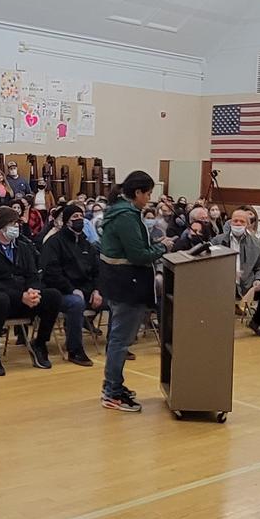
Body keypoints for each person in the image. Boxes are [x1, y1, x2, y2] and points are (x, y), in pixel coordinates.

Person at [96, 171, 164, 411]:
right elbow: (137, 254)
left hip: (120, 282)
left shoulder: (122, 211)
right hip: (127, 283)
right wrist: (161, 248)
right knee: (120, 341)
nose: (149, 198)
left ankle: (113, 385)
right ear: (137, 193)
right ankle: (112, 392)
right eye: (148, 193)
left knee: (118, 339)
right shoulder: (126, 217)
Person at [0, 207, 63, 375]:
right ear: (1, 226)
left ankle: (40, 343)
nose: (16, 227)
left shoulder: (22, 247)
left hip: (21, 297)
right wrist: (20, 296)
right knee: (0, 299)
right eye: (12, 224)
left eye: (17, 223)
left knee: (53, 296)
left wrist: (33, 290)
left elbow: (33, 275)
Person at [213, 208, 260, 337]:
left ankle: (256, 323)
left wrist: (259, 280)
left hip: (247, 284)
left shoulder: (255, 242)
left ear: (248, 224)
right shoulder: (218, 240)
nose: (238, 224)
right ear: (230, 223)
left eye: (242, 221)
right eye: (235, 221)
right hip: (222, 285)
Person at [41, 202, 102, 349]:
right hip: (61, 292)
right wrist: (71, 289)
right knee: (76, 303)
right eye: (75, 216)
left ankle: (115, 346)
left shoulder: (87, 245)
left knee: (114, 299)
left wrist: (97, 290)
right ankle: (75, 349)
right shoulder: (54, 243)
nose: (79, 219)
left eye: (81, 216)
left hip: (87, 290)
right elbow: (51, 272)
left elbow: (97, 271)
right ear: (67, 221)